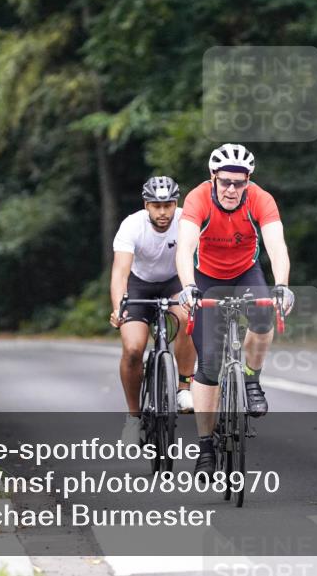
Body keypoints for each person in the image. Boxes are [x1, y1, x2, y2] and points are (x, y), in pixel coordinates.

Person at [175, 143, 295, 478]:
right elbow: (184, 248)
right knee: (209, 363)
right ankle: (205, 447)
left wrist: (282, 285)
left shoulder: (260, 199)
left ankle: (251, 379)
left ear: (248, 181)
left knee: (263, 314)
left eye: (239, 183)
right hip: (206, 277)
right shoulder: (198, 198)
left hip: (245, 273)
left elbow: (277, 246)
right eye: (225, 181)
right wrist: (188, 286)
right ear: (213, 176)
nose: (231, 189)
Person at [111, 176, 198, 445]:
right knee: (133, 349)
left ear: (176, 204)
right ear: (146, 205)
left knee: (188, 316)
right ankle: (133, 417)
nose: (163, 212)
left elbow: (201, 261)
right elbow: (120, 273)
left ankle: (183, 388)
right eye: (156, 206)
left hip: (174, 282)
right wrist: (118, 308)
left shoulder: (187, 221)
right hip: (139, 286)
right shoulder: (132, 225)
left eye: (168, 205)